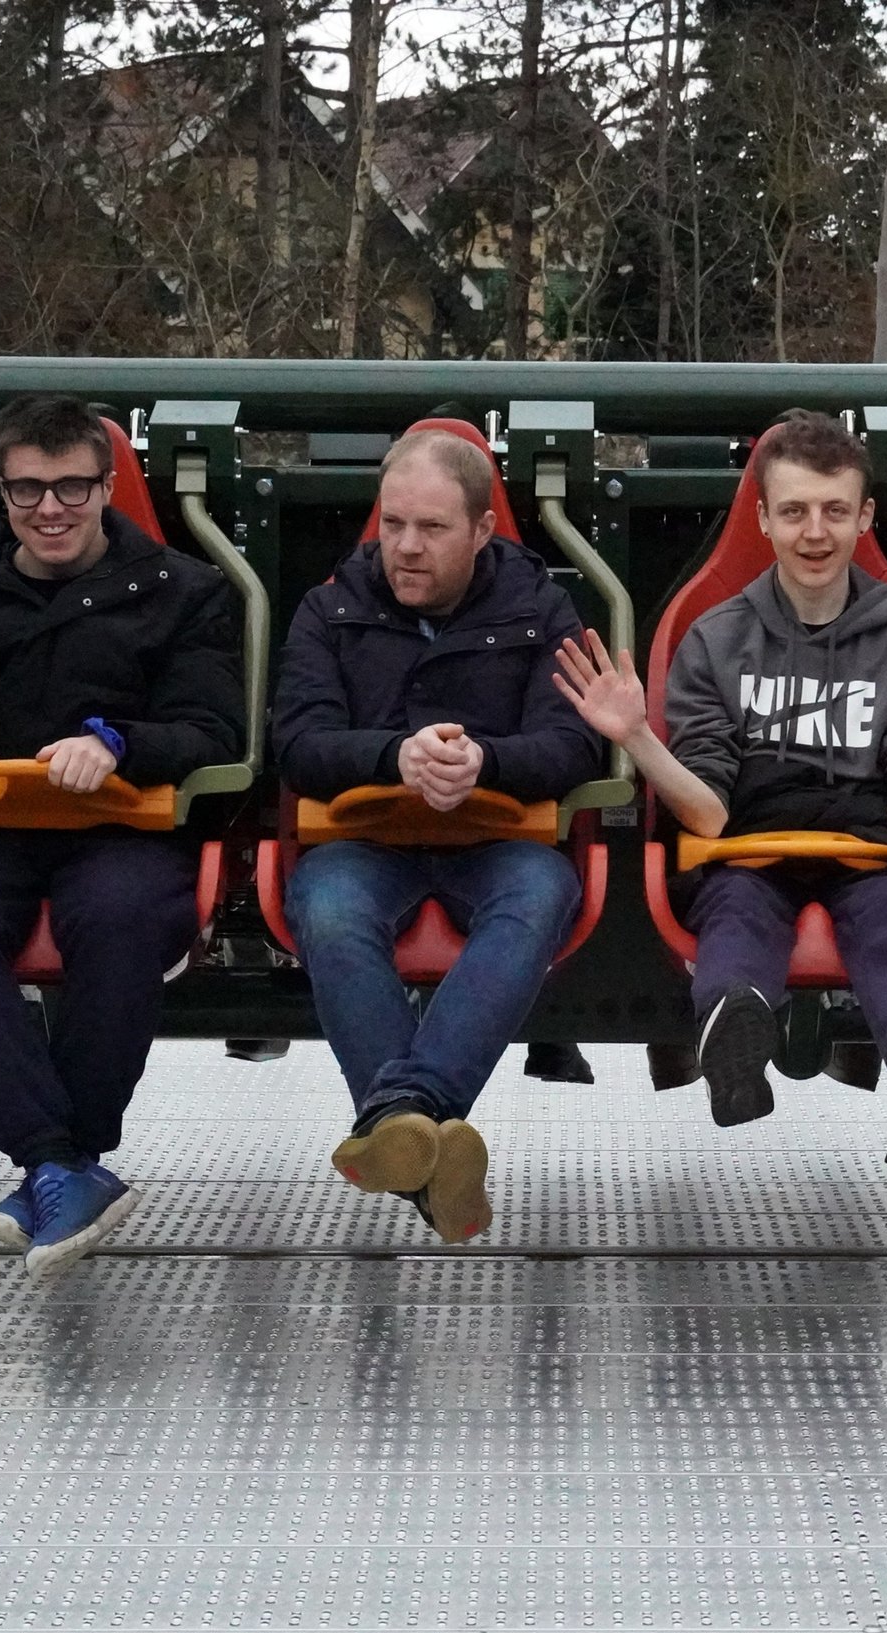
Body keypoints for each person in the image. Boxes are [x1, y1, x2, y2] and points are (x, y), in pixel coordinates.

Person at [554, 408, 887, 1179]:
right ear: (762, 517)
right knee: (735, 902)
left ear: (866, 516)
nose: (814, 532)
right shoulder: (717, 637)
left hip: (874, 845)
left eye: (834, 511)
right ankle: (735, 1033)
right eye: (793, 511)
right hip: (749, 838)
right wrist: (636, 738)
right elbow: (709, 812)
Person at [0, 395, 242, 1275]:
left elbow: (214, 732)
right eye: (29, 490)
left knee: (120, 914)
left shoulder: (182, 592)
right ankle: (61, 1160)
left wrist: (118, 743)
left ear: (108, 485)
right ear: (1, 490)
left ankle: (55, 1161)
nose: (51, 509)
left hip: (117, 826)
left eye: (73, 488)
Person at [275, 426, 604, 1243]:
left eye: (431, 528)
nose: (405, 548)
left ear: (483, 531)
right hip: (366, 838)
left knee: (539, 893)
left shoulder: (541, 609)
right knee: (329, 908)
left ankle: (400, 1115)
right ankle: (423, 1136)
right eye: (392, 525)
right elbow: (299, 745)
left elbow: (575, 745)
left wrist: (485, 761)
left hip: (497, 839)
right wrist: (395, 756)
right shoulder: (331, 607)